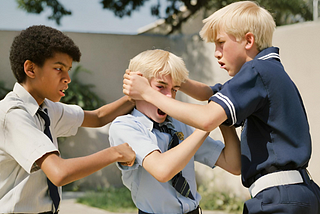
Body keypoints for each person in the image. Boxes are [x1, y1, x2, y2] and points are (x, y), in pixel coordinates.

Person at [122, 1, 320, 214]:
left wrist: (148, 93)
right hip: (295, 193)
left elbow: (208, 118)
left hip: (279, 198)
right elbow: (212, 94)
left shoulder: (256, 70)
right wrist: (171, 77)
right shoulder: (267, 72)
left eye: (220, 43)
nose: (216, 53)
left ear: (248, 40)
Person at [0, 25, 135, 214]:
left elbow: (98, 117)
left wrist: (137, 96)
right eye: (59, 69)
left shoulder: (47, 108)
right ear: (30, 69)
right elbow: (59, 173)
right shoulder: (12, 114)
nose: (67, 78)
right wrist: (116, 153)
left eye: (68, 70)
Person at [110, 49, 241, 214]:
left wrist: (221, 112)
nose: (169, 96)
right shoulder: (125, 126)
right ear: (138, 88)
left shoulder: (179, 124)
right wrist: (206, 123)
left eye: (174, 89)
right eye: (161, 87)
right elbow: (162, 170)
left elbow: (234, 165)